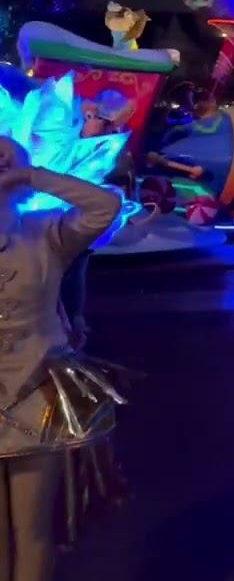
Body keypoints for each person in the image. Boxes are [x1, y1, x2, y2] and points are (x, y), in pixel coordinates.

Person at [0, 135, 127, 581]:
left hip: (36, 395)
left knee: (32, 532)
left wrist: (32, 176)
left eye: (7, 154)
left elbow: (105, 206)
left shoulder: (46, 232)